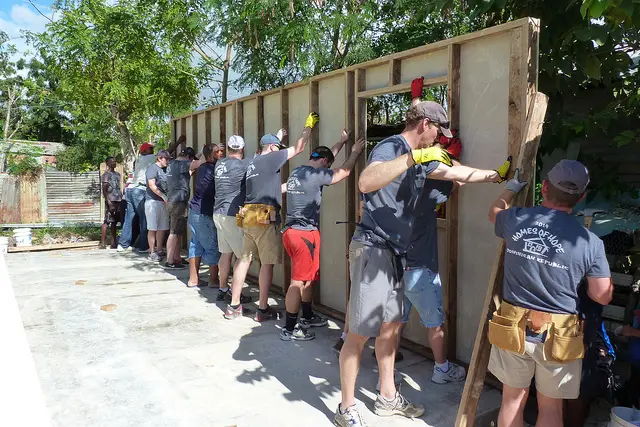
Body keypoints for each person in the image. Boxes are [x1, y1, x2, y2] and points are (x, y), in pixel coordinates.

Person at [335, 101, 511, 426]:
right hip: (373, 247)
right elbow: (366, 181)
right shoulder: (393, 146)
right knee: (359, 333)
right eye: (437, 132)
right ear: (424, 124)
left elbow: (454, 171)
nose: (438, 140)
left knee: (389, 328)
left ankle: (387, 397)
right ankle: (346, 408)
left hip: (396, 254)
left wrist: (494, 176)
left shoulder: (423, 161)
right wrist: (413, 157)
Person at [487, 159, 613, 427]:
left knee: (512, 399)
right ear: (581, 197)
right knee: (551, 408)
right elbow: (602, 295)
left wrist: (509, 189)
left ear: (543, 188)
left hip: (513, 326)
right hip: (559, 335)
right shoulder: (589, 242)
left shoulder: (515, 218)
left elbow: (494, 212)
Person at [225, 113, 319, 321]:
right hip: (264, 216)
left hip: (247, 215)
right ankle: (263, 309)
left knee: (244, 259)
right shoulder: (272, 157)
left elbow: (274, 187)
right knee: (266, 264)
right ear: (273, 148)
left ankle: (233, 306)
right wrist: (307, 126)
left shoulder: (253, 162)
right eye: (278, 148)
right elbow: (299, 147)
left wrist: (277, 137)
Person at [280, 132, 366, 341]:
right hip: (304, 235)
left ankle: (307, 316)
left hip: (293, 232)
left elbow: (328, 157)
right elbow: (344, 172)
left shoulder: (298, 171)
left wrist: (342, 142)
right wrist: (354, 152)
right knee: (297, 282)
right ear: (325, 163)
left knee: (308, 278)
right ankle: (289, 329)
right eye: (328, 164)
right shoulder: (316, 176)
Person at [212, 136, 252, 302]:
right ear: (242, 149)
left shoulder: (219, 163)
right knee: (243, 257)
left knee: (225, 253)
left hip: (218, 213)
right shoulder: (243, 165)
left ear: (227, 148)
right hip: (232, 215)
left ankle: (223, 288)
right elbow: (261, 160)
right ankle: (235, 295)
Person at [187, 144, 222, 287]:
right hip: (203, 213)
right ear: (209, 156)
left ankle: (193, 279)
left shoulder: (202, 168)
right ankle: (213, 280)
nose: (220, 153)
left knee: (196, 245)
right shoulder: (212, 170)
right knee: (213, 246)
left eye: (221, 151)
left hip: (194, 211)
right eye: (217, 152)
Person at [164, 147, 196, 269]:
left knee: (177, 231)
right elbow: (196, 164)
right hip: (178, 201)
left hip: (173, 200)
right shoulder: (183, 164)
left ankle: (176, 258)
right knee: (173, 232)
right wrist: (205, 154)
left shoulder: (172, 163)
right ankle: (170, 261)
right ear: (188, 158)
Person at [145, 149, 171, 262]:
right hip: (153, 201)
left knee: (162, 227)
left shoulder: (166, 169)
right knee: (152, 227)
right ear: (159, 158)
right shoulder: (152, 168)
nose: (167, 161)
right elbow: (152, 185)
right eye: (166, 158)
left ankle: (160, 249)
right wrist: (163, 196)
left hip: (163, 202)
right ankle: (152, 251)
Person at [100, 156, 122, 249]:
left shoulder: (117, 174)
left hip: (118, 200)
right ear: (107, 163)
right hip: (111, 200)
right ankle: (103, 243)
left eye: (115, 161)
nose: (114, 162)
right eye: (112, 161)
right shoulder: (106, 175)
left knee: (114, 222)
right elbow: (104, 190)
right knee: (107, 221)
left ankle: (114, 243)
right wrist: (108, 202)